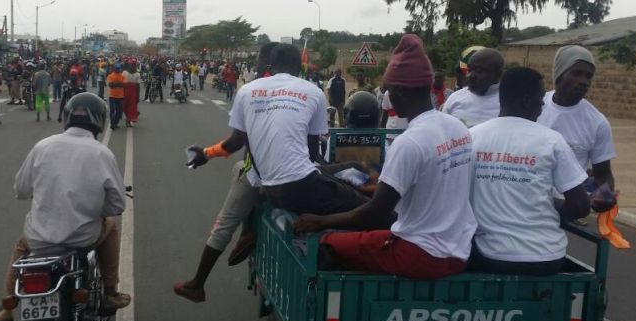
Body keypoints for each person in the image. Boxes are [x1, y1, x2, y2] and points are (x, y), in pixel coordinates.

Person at [293, 34, 476, 279]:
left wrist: (320, 221)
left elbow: (374, 213)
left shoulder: (410, 142)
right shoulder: (457, 128)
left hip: (421, 253)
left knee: (328, 242)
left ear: (399, 90)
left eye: (389, 88)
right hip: (460, 249)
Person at [0, 93, 131, 321]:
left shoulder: (43, 146)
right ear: (100, 121)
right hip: (82, 238)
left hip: (40, 239)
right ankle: (110, 292)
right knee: (111, 226)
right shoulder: (101, 153)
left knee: (22, 246)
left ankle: (6, 306)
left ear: (66, 116)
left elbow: (21, 189)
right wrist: (97, 209)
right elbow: (117, 205)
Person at [187, 43, 367, 216]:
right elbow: (312, 154)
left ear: (269, 65)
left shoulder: (246, 91)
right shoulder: (313, 92)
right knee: (371, 208)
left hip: (271, 185)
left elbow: (234, 143)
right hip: (298, 185)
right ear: (300, 67)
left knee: (353, 168)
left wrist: (205, 153)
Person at [467, 67, 598, 275]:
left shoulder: (471, 138)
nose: (543, 104)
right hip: (546, 259)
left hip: (490, 257)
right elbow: (581, 206)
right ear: (527, 101)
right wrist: (552, 214)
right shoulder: (552, 140)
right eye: (540, 98)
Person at [174, 43, 278, 303]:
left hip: (260, 173)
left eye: (258, 59)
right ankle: (248, 229)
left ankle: (197, 284)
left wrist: (206, 154)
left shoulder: (252, 90)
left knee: (223, 224)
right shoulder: (306, 92)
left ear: (266, 63)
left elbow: (235, 143)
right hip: (297, 175)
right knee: (238, 168)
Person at [537, 45, 617, 224]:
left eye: (588, 76)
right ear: (559, 73)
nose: (584, 81)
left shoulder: (597, 122)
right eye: (576, 73)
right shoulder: (534, 105)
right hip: (523, 200)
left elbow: (603, 174)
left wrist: (605, 193)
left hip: (563, 210)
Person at [441, 48, 503, 127]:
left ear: (498, 74)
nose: (471, 76)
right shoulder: (455, 98)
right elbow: (442, 131)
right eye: (469, 70)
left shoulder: (507, 104)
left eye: (479, 71)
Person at [106, 64, 126, 129]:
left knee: (119, 111)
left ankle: (116, 123)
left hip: (120, 97)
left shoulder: (122, 76)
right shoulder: (110, 76)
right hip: (112, 96)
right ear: (114, 69)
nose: (118, 69)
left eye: (119, 68)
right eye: (117, 68)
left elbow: (123, 85)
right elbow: (111, 85)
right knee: (112, 111)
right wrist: (119, 84)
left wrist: (115, 84)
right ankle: (112, 124)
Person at [122, 61, 141, 126]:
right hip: (125, 89)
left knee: (132, 106)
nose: (133, 66)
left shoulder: (137, 74)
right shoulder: (124, 72)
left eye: (134, 65)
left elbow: (138, 85)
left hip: (133, 91)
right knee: (124, 105)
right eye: (132, 65)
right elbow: (121, 82)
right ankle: (128, 118)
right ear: (129, 65)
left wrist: (137, 96)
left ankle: (128, 120)